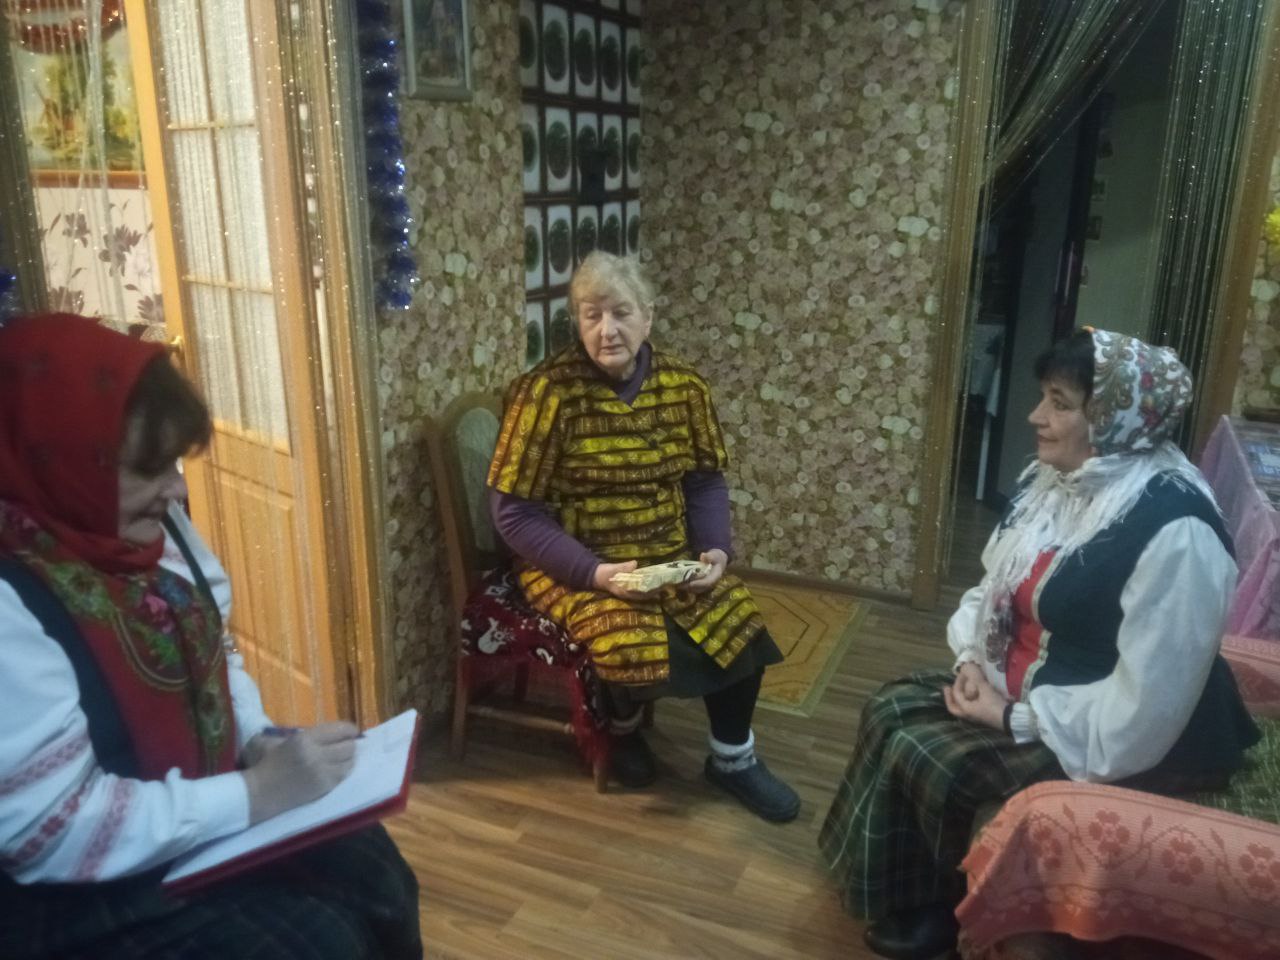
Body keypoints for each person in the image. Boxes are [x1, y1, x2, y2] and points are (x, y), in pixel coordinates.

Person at [819, 327, 1259, 960]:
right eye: (1044, 396)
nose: (1035, 416)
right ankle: (899, 888)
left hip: (1141, 736)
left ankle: (948, 909)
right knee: (891, 707)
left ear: (1111, 420)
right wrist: (972, 658)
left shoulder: (1178, 531)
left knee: (931, 751)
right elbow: (995, 586)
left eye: (1060, 403)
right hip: (1042, 687)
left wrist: (1011, 717)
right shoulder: (1057, 480)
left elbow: (1148, 707)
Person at [0, 313, 421, 960]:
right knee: (319, 945)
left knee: (376, 873)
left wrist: (258, 740)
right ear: (59, 461)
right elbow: (51, 831)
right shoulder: (13, 599)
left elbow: (217, 652)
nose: (176, 489)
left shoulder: (154, 532)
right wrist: (255, 794)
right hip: (80, 888)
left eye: (174, 462)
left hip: (201, 813)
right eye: (148, 468)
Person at [487, 251, 800, 822]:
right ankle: (623, 729)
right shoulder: (545, 393)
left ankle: (733, 759)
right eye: (591, 315)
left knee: (736, 617)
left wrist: (715, 549)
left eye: (621, 312)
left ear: (648, 316)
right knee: (625, 635)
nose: (607, 330)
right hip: (576, 560)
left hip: (666, 551)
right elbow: (515, 513)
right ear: (577, 322)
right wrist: (594, 572)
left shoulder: (684, 387)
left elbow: (705, 480)